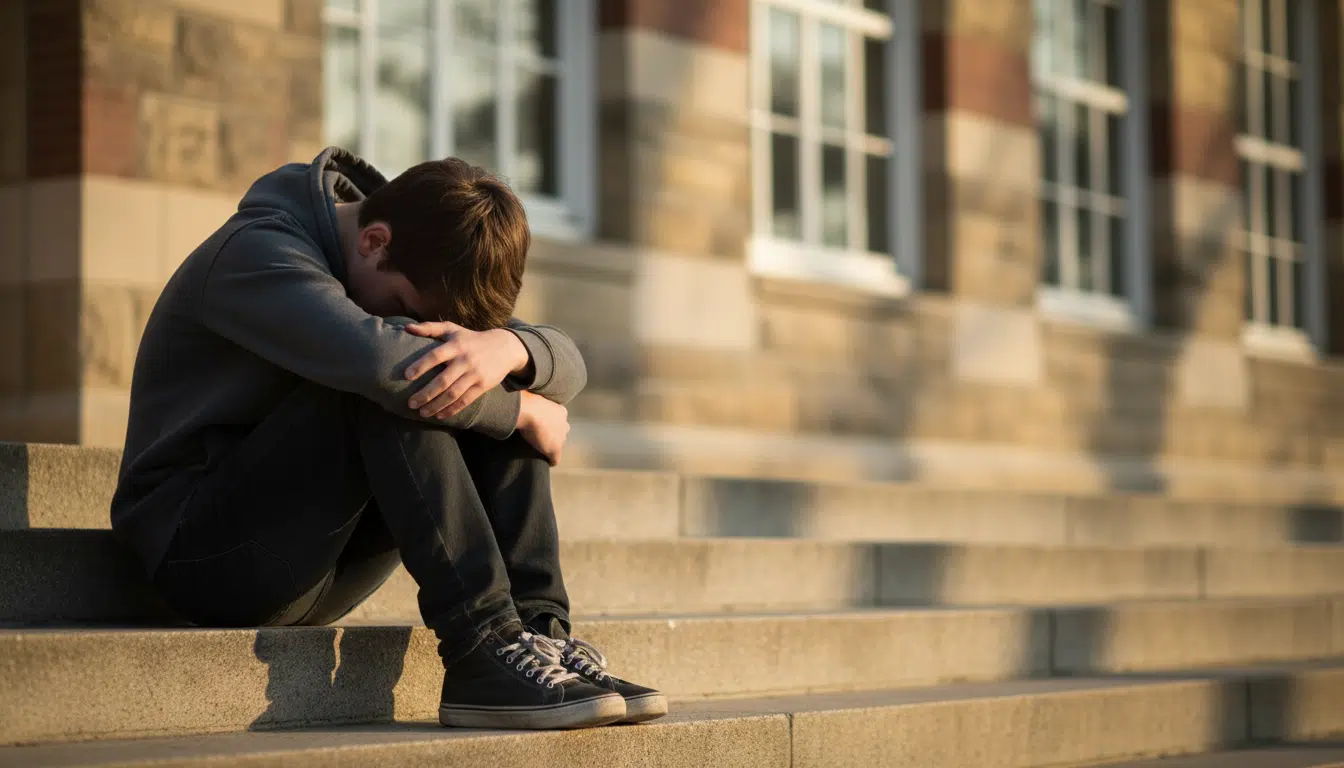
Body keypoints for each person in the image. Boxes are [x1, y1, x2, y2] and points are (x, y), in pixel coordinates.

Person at [109, 147, 666, 730]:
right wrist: (522, 407)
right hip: (204, 557)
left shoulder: (423, 253)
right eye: (404, 302)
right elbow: (382, 363)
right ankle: (482, 647)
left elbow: (566, 364)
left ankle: (541, 637)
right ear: (373, 241)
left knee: (470, 372)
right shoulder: (255, 253)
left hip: (319, 561)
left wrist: (511, 350)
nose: (413, 320)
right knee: (407, 375)